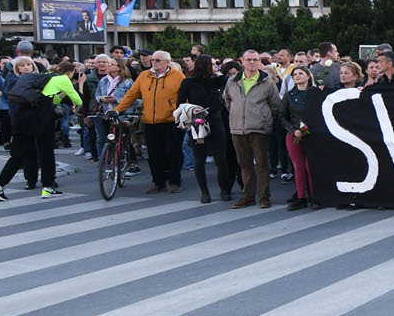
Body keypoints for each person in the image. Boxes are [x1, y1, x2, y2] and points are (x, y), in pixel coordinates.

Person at [0, 58, 82, 201]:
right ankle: (48, 187)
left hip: (22, 116)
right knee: (46, 153)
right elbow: (78, 101)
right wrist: (79, 85)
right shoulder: (63, 79)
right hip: (42, 119)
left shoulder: (38, 78)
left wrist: (59, 96)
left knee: (18, 155)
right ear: (70, 72)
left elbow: (50, 99)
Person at [116, 50, 186, 194]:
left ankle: (174, 181)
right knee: (154, 153)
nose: (154, 63)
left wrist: (181, 114)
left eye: (158, 60)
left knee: (172, 152)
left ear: (167, 61)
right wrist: (118, 109)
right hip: (150, 120)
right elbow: (132, 94)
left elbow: (185, 97)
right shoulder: (144, 75)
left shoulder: (178, 76)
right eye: (153, 60)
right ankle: (158, 182)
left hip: (171, 120)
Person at [225, 49, 282, 209]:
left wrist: (263, 117)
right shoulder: (232, 81)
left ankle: (264, 196)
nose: (252, 62)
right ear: (242, 62)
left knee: (262, 164)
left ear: (259, 62)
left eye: (255, 60)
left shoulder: (268, 82)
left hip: (260, 128)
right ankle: (248, 196)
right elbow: (228, 101)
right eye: (249, 59)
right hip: (238, 128)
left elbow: (275, 105)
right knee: (244, 164)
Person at [177, 54, 234, 203]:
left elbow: (230, 82)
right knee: (199, 158)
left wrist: (217, 72)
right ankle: (204, 192)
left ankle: (224, 190)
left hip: (215, 120)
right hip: (197, 121)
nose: (215, 66)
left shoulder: (216, 80)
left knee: (220, 158)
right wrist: (191, 109)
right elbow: (180, 103)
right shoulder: (188, 83)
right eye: (212, 64)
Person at [280, 64, 319, 211]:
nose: (297, 76)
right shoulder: (289, 96)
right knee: (299, 167)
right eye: (295, 74)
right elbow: (282, 116)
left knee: (311, 166)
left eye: (300, 73)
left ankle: (315, 196)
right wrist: (292, 129)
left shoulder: (315, 93)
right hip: (295, 135)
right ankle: (301, 196)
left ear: (308, 76)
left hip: (313, 135)